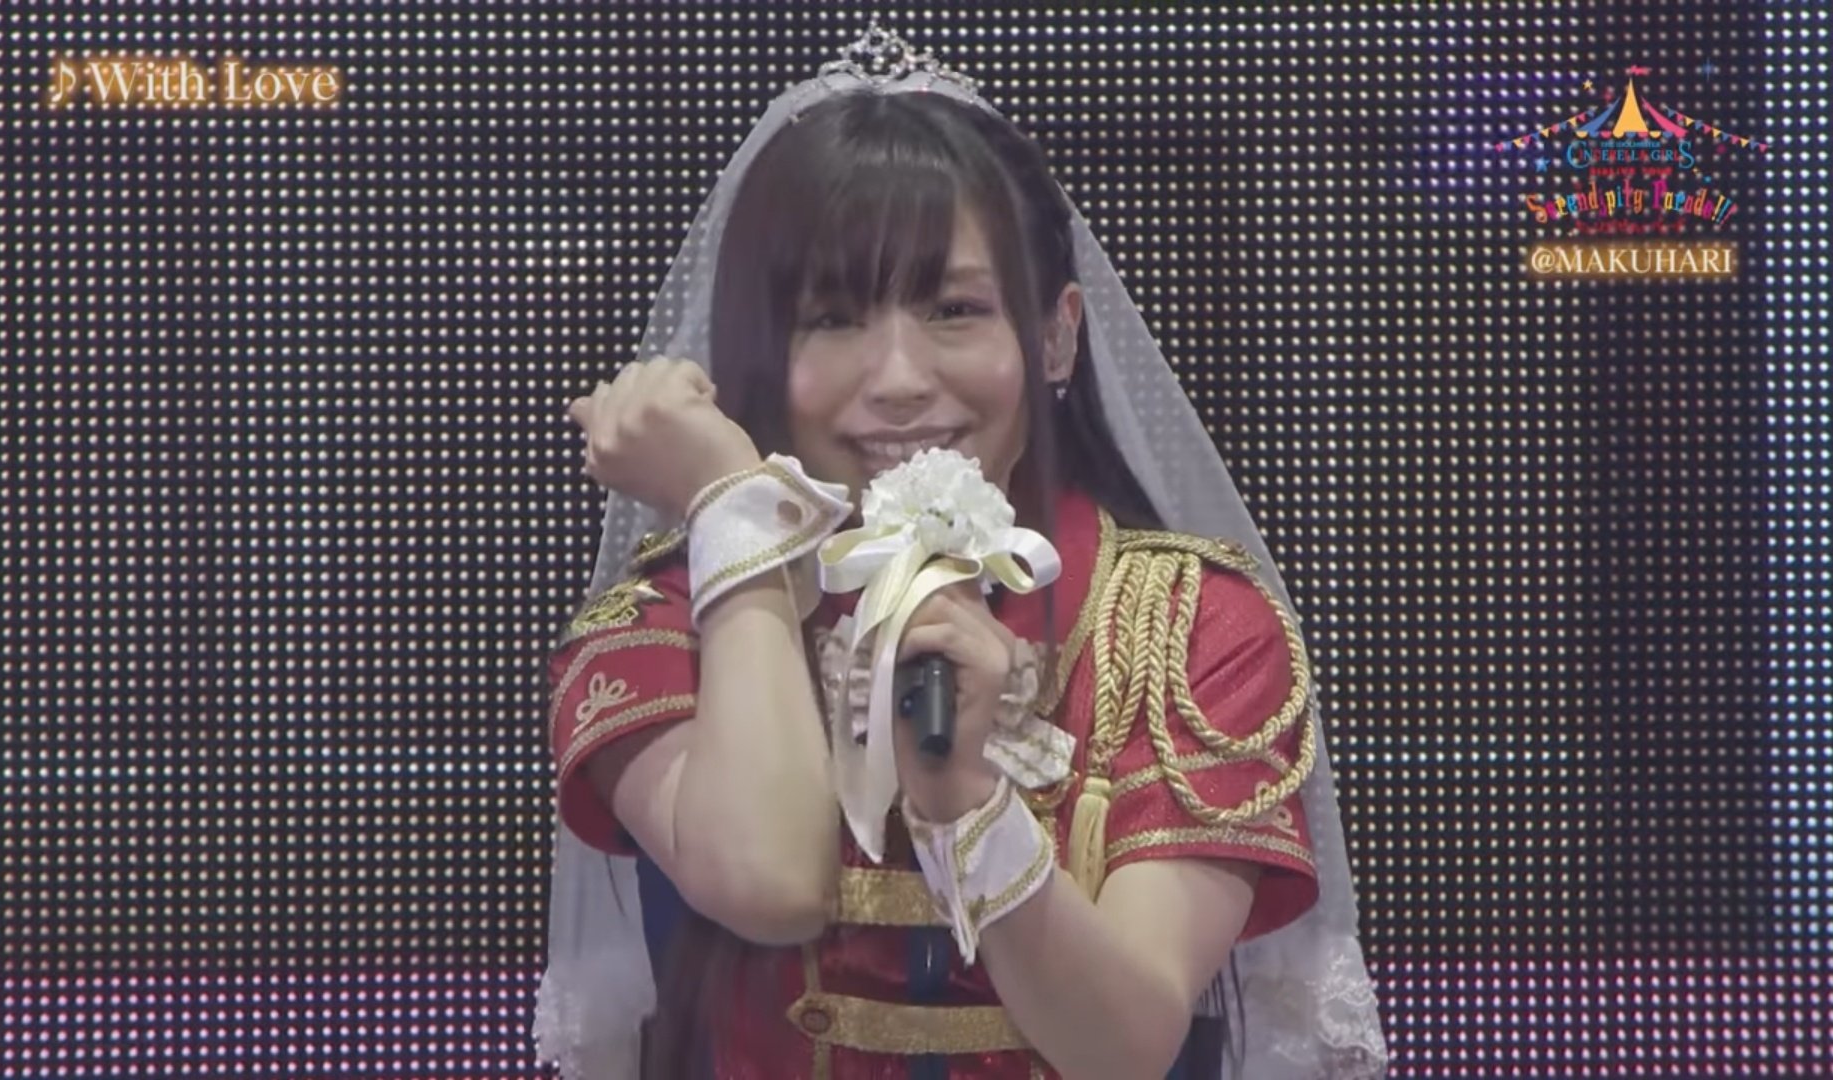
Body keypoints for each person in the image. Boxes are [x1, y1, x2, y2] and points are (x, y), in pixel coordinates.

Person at [535, 22, 1385, 1080]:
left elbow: (1123, 1047)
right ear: (758, 349)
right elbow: (769, 884)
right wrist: (731, 515)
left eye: (954, 309)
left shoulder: (1184, 624)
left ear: (1056, 334)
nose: (898, 378)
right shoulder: (658, 624)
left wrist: (968, 801)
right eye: (830, 317)